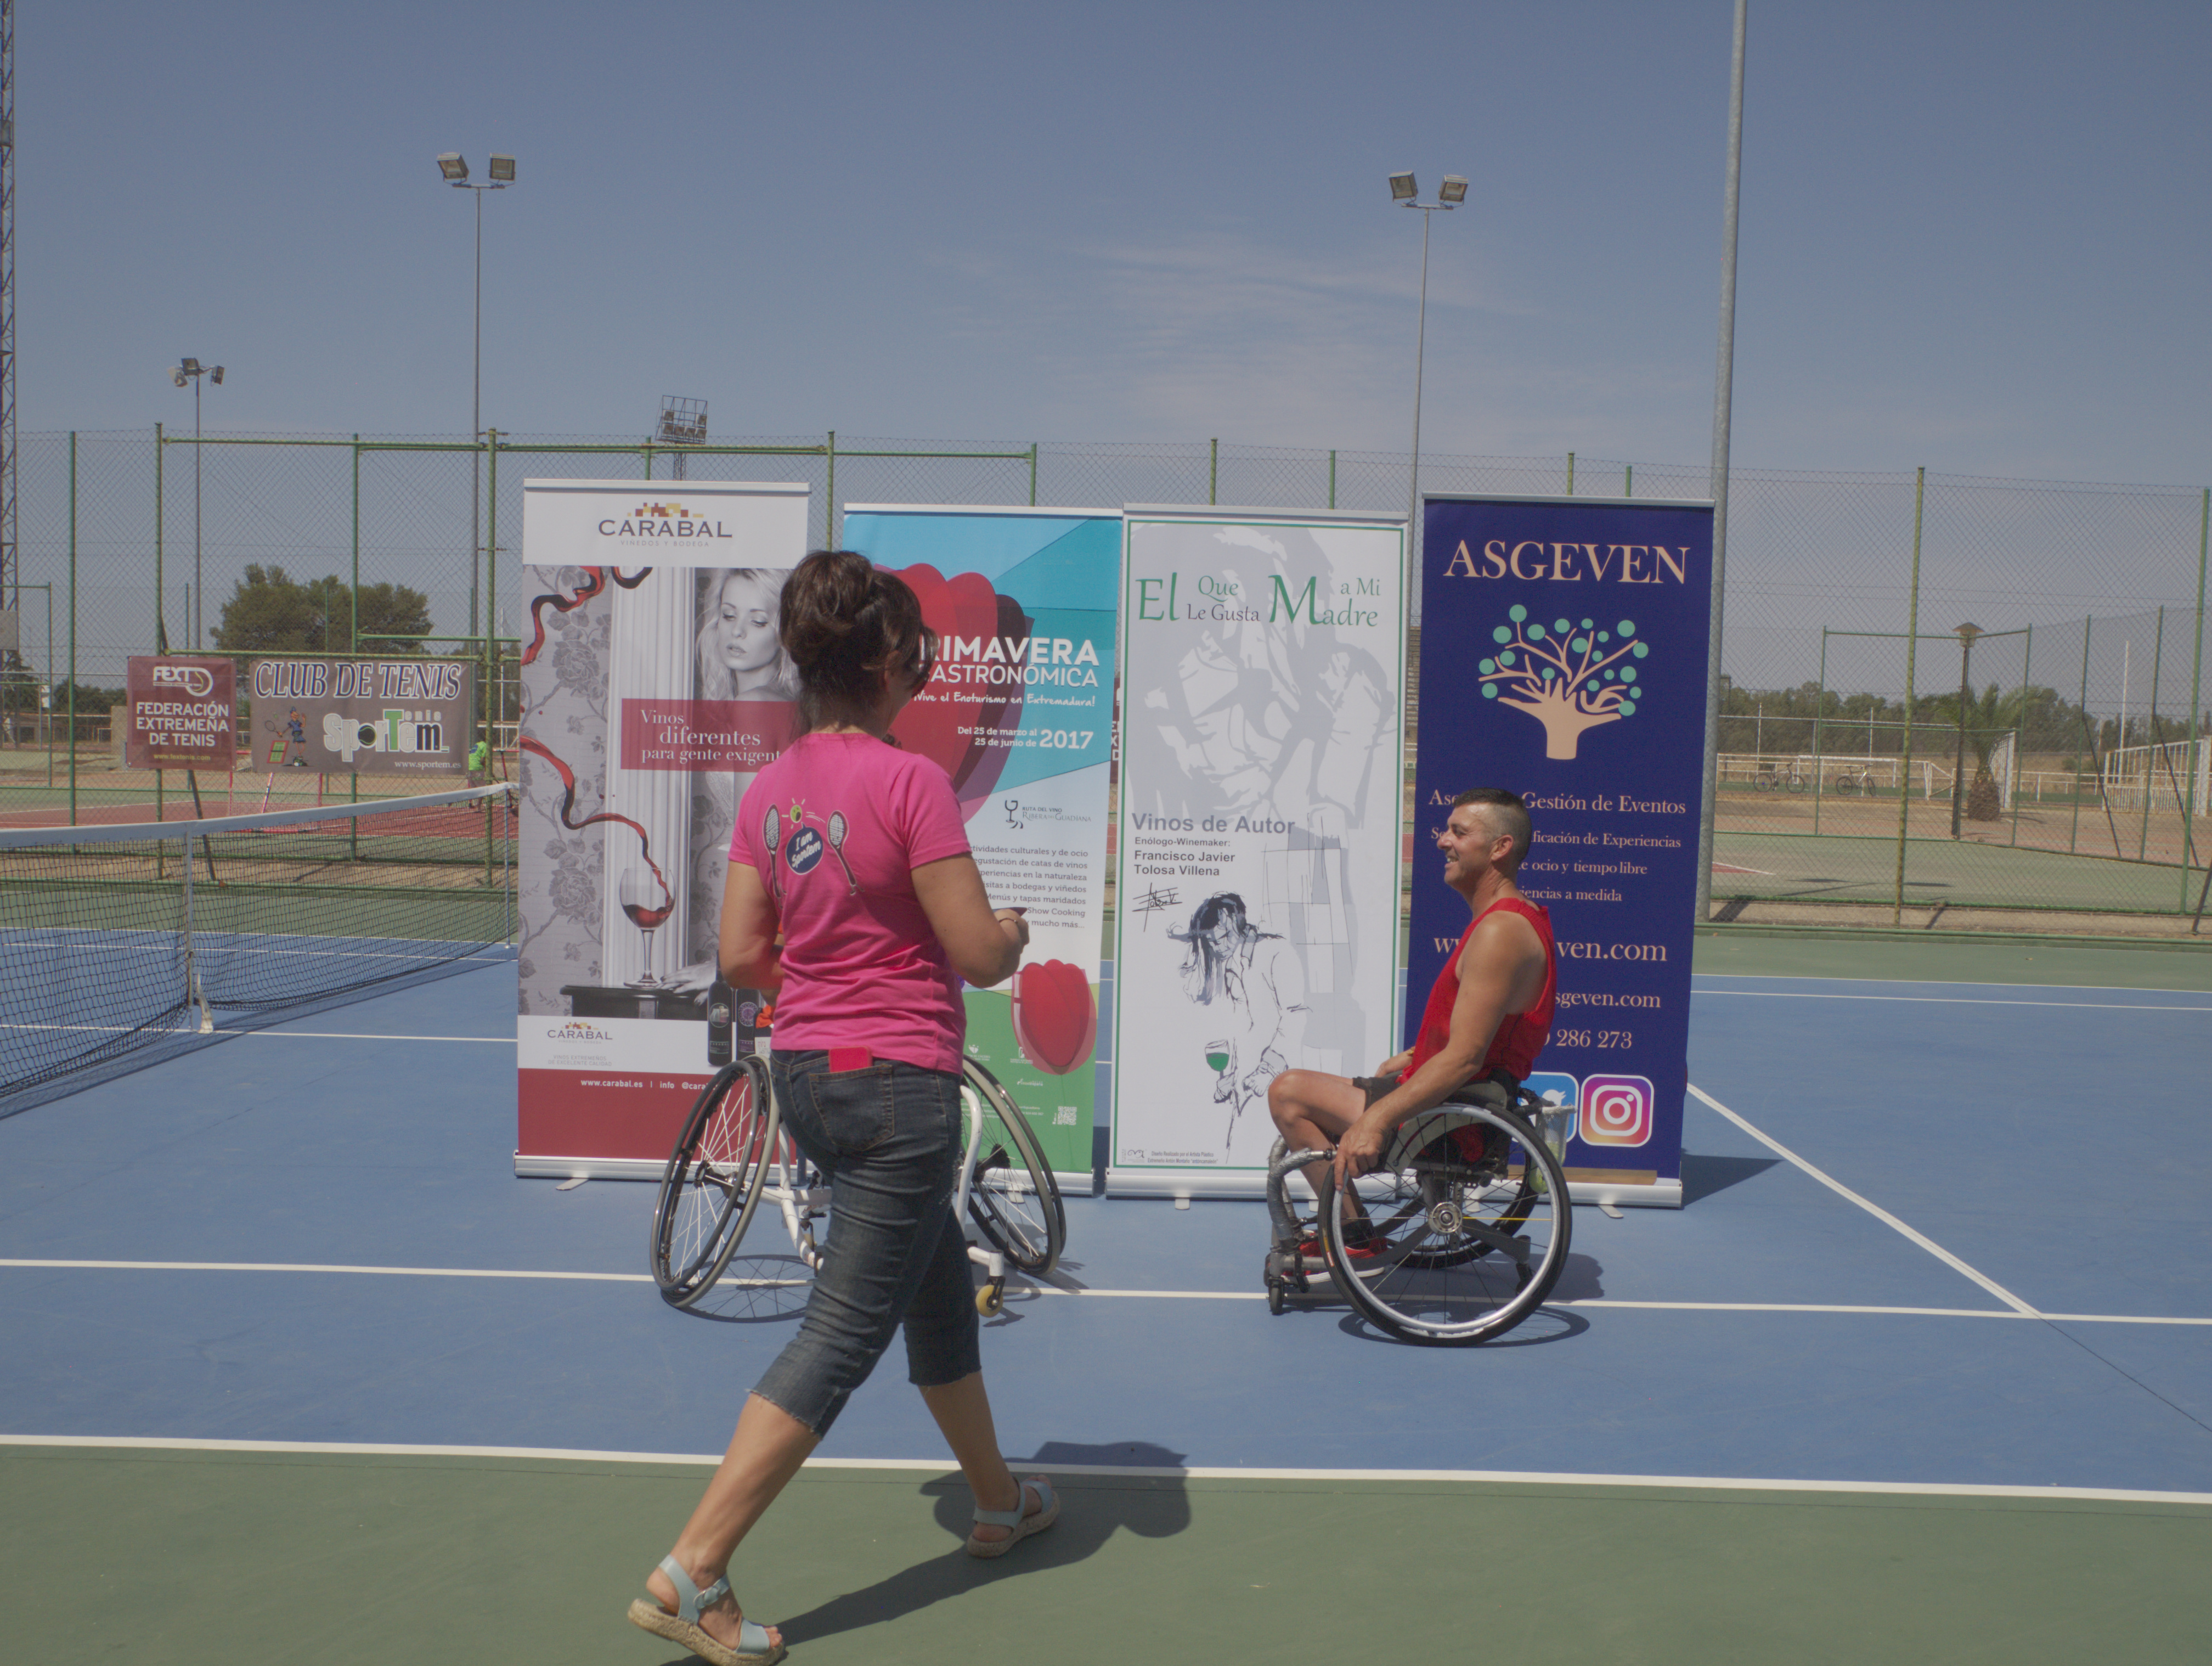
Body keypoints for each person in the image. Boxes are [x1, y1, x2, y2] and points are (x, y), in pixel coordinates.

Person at [629, 550, 1056, 1666]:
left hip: (810, 1079)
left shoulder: (771, 788)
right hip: (899, 1090)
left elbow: (741, 954)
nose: (927, 670)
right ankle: (693, 1572)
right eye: (920, 654)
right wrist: (1012, 934)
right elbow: (977, 954)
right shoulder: (912, 784)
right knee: (840, 1338)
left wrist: (823, 989)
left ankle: (999, 1500)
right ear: (888, 662)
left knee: (939, 1296)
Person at [1265, 787, 1555, 1230]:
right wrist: (1414, 1056)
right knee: (1306, 1086)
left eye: (1459, 832)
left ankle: (1353, 1236)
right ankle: (1352, 1231)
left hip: (1454, 1120)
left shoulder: (1501, 930)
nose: (1442, 841)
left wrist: (1377, 1120)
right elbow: (1486, 1037)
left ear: (1500, 847)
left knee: (1288, 1093)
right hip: (1452, 1098)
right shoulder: (1511, 919)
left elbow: (1466, 1058)